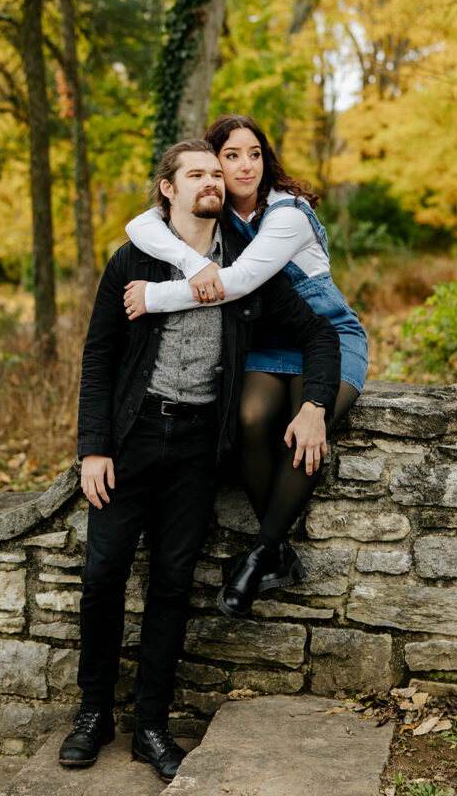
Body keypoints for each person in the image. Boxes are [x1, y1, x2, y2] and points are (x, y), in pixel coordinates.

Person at [60, 138, 340, 784]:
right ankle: (93, 713)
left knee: (172, 583)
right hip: (130, 440)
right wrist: (93, 448)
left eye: (218, 173)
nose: (213, 181)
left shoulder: (246, 266)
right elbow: (99, 356)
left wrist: (314, 405)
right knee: (102, 576)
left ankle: (151, 726)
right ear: (168, 188)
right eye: (197, 173)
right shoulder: (132, 259)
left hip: (196, 447)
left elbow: (318, 333)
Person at [124, 115, 368, 619]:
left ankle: (261, 554)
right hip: (265, 342)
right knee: (248, 419)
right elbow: (139, 226)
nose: (245, 165)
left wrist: (154, 296)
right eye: (230, 156)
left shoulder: (287, 213)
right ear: (214, 163)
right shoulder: (216, 211)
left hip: (326, 336)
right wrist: (195, 263)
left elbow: (236, 283)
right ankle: (278, 554)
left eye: (254, 154)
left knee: (303, 428)